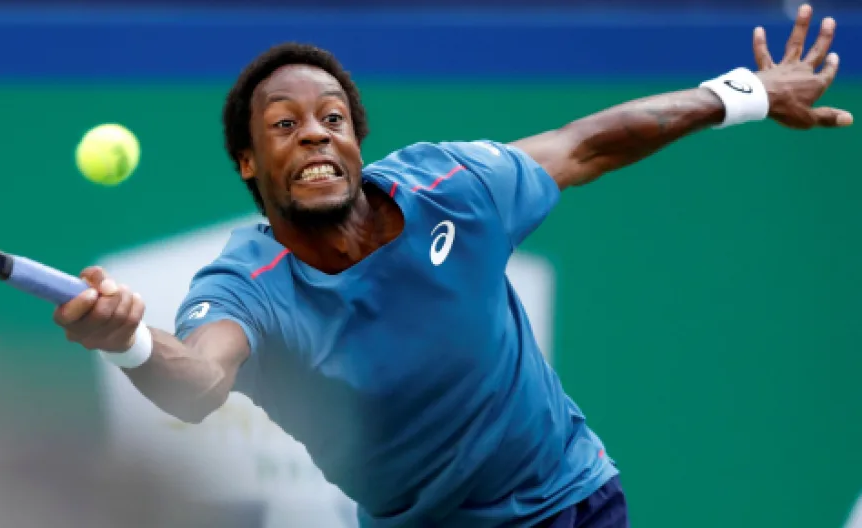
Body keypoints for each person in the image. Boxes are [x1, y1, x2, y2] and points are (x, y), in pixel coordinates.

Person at [53, 5, 850, 527]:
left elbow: (589, 143)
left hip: (568, 501)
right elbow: (198, 378)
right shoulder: (246, 286)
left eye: (332, 117)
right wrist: (128, 341)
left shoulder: (452, 187)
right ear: (248, 163)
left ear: (357, 140)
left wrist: (746, 94)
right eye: (284, 125)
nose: (315, 133)